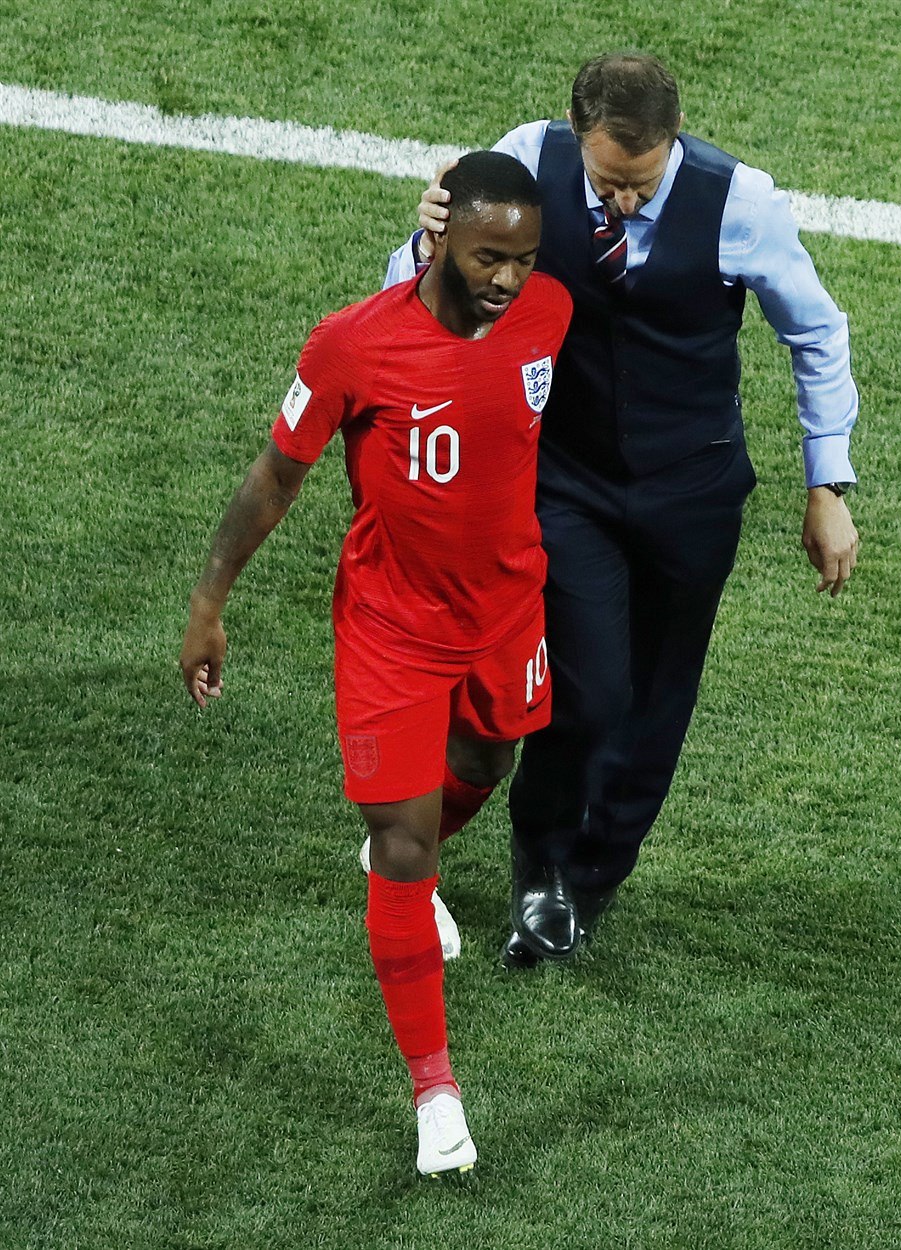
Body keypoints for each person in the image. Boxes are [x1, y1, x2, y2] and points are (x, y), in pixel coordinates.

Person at [384, 52, 862, 968]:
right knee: (589, 689)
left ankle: (594, 876)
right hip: (568, 484)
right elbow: (421, 298)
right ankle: (541, 866)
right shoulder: (525, 163)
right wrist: (426, 244)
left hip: (693, 492)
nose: (626, 202)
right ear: (576, 136)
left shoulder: (742, 203)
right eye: (608, 182)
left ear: (673, 141)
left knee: (658, 702)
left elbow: (816, 331)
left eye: (643, 183)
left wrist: (826, 485)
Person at [181, 152, 571, 1176]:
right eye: (487, 257)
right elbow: (274, 478)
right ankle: (435, 1091)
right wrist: (209, 603)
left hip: (507, 613)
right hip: (391, 631)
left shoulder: (549, 314)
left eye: (524, 259)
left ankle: (410, 854)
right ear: (440, 240)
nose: (507, 279)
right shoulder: (355, 343)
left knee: (487, 762)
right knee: (404, 844)